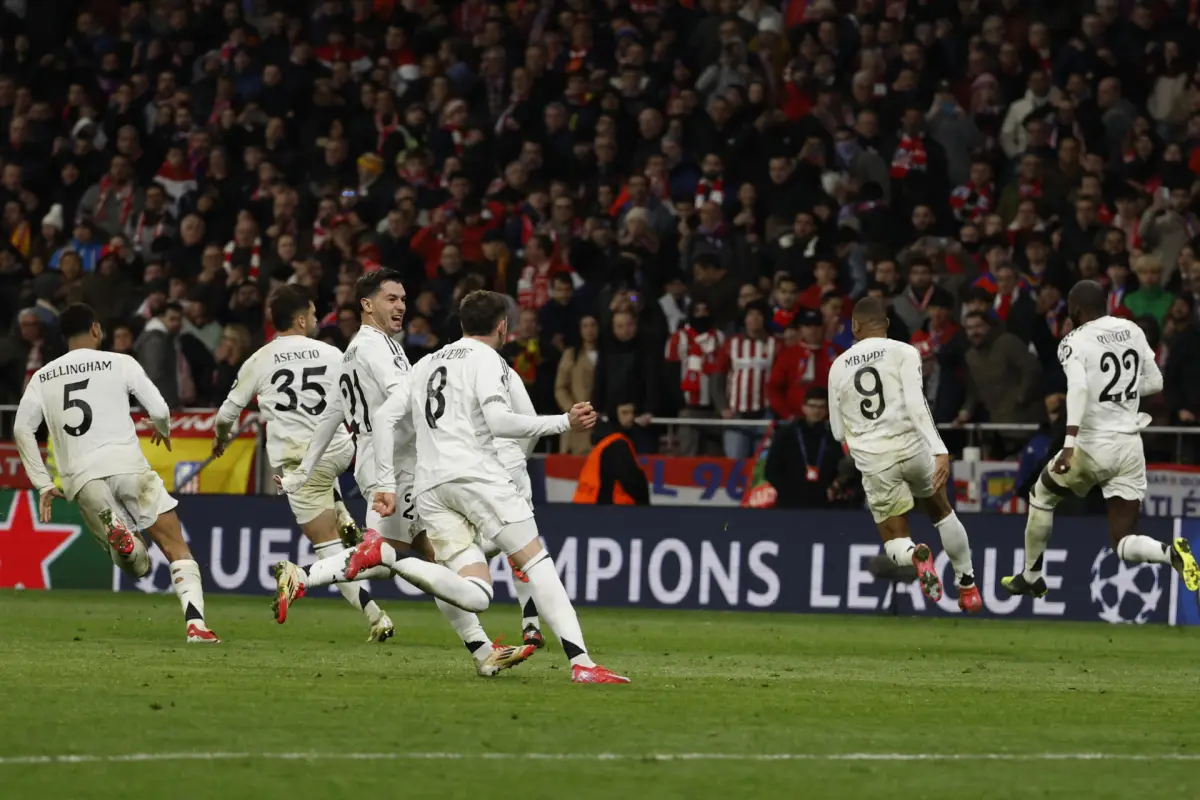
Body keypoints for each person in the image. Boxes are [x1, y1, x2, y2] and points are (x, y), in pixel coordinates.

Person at [272, 271, 536, 676]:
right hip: (396, 465)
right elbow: (403, 402)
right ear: (367, 304)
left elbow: (332, 413)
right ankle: (303, 575)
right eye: (391, 299)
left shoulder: (358, 350)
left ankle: (484, 653)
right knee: (423, 555)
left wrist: (303, 472)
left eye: (403, 298)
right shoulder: (374, 349)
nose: (400, 306)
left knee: (419, 557)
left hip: (384, 462)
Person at [374, 289, 628, 684]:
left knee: (475, 590)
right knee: (535, 560)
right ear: (503, 326)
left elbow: (386, 416)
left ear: (461, 324)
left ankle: (391, 558)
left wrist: (385, 481)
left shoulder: (425, 363)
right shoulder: (488, 359)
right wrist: (563, 422)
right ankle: (582, 663)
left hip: (430, 488)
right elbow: (500, 421)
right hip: (477, 477)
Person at [13, 303, 219, 643]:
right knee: (175, 548)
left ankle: (121, 536)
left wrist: (43, 483)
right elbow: (159, 409)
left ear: (65, 337)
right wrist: (163, 428)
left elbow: (22, 429)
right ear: (96, 330)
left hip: (82, 479)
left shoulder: (42, 377)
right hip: (128, 467)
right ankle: (195, 625)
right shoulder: (120, 362)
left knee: (134, 565)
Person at [212, 285, 394, 643]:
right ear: (300, 318)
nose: (315, 319)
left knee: (328, 552)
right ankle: (341, 510)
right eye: (312, 314)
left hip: (300, 467)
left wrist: (221, 438)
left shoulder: (260, 359)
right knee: (329, 485)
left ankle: (377, 618)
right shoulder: (331, 352)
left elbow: (226, 414)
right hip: (342, 450)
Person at [1002, 280, 1200, 599]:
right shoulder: (1131, 330)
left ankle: (1032, 575)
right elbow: (1155, 382)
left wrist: (1068, 444)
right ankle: (1170, 554)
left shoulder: (1073, 341)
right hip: (1130, 446)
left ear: (1076, 309)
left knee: (1041, 495)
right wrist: (1119, 394)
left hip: (1092, 445)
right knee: (1123, 540)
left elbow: (1078, 389)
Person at [826, 297, 981, 613]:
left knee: (894, 536)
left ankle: (914, 556)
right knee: (941, 510)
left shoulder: (838, 367)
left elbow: (838, 432)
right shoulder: (906, 352)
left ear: (855, 326)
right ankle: (968, 587)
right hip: (912, 447)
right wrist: (939, 449)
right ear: (885, 324)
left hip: (875, 460)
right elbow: (916, 403)